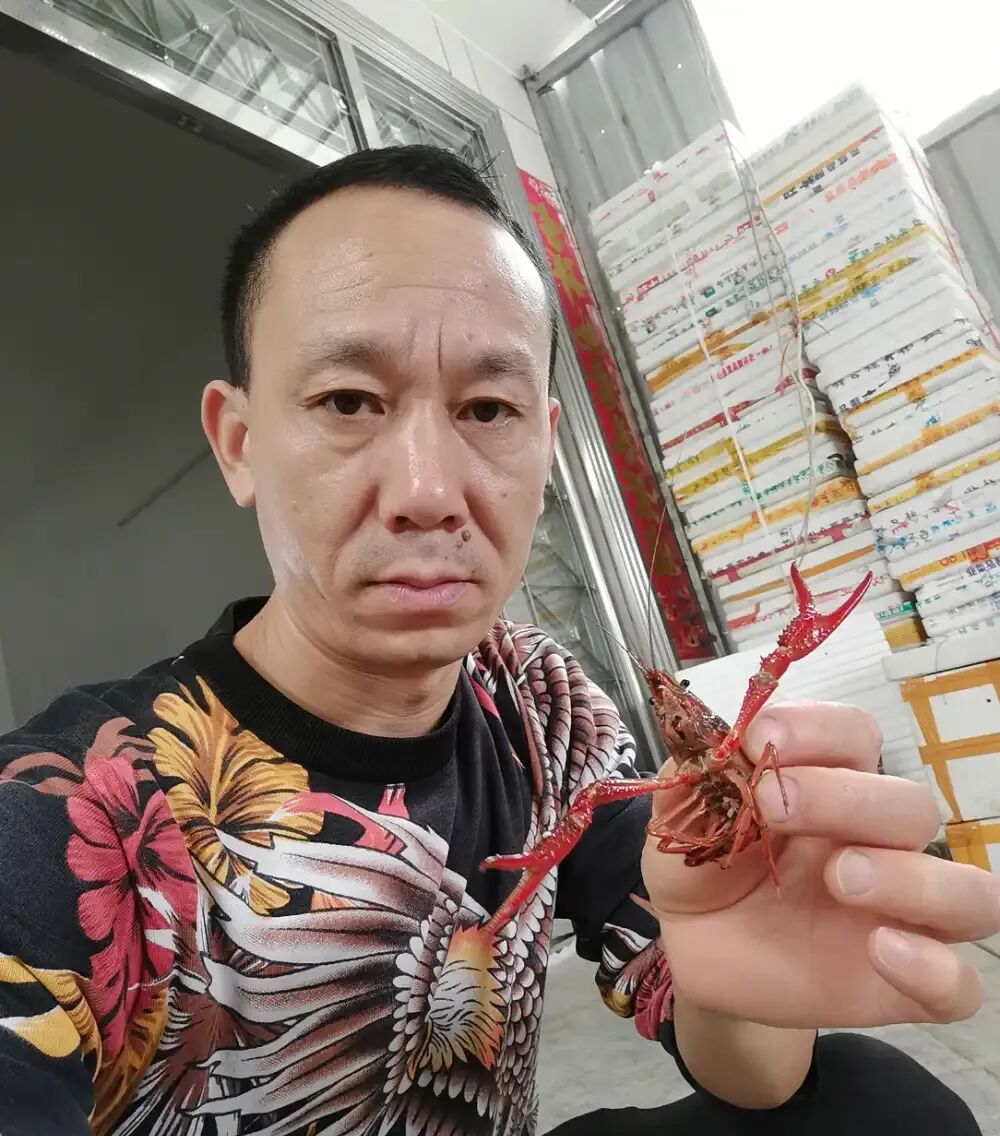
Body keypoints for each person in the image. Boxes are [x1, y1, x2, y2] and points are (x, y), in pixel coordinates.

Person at [0, 144, 995, 1136]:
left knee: (877, 1102)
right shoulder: (70, 813)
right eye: (349, 401)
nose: (429, 490)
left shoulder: (543, 704)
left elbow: (753, 1072)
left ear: (545, 442)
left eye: (488, 408)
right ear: (240, 443)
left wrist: (752, 954)